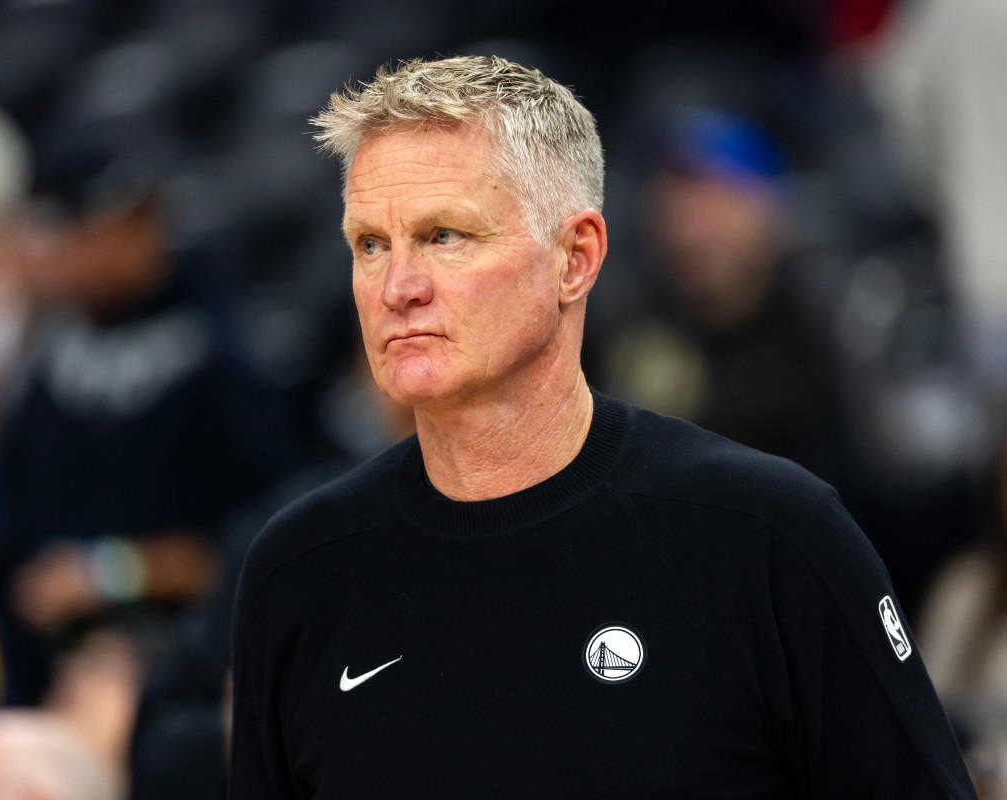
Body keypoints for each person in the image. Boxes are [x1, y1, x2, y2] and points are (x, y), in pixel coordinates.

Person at [229, 55, 974, 798]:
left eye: (444, 235)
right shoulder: (299, 574)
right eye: (368, 244)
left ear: (575, 258)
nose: (398, 288)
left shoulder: (771, 537)